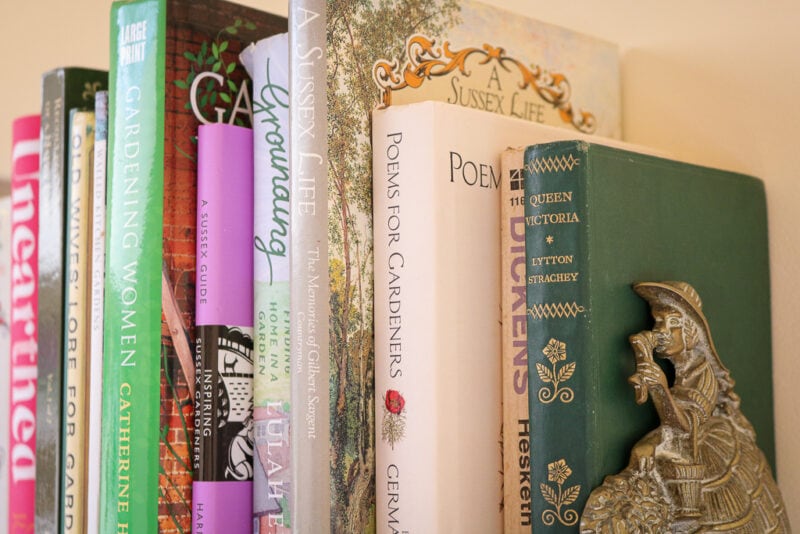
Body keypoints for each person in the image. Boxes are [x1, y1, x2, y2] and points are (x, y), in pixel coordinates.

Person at [580, 281, 789, 533]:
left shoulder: (703, 374)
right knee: (642, 452)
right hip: (680, 436)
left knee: (646, 452)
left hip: (693, 439)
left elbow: (685, 425)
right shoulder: (682, 369)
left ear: (690, 332)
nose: (662, 331)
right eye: (658, 322)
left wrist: (660, 389)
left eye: (673, 324)